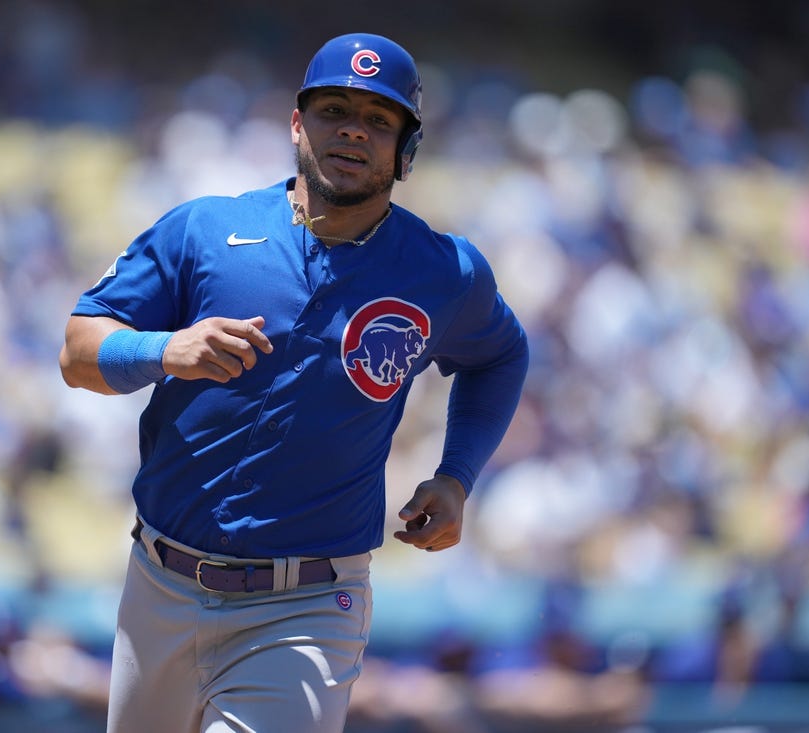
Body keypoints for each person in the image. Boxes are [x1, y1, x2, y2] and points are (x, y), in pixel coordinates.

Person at [58, 32, 529, 733]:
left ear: (408, 148)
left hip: (306, 604)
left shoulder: (444, 271)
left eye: (378, 119)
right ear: (297, 124)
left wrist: (457, 475)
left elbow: (501, 355)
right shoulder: (205, 230)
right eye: (334, 110)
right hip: (159, 583)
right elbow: (77, 351)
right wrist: (165, 349)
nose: (353, 131)